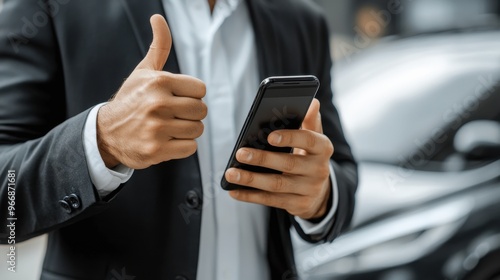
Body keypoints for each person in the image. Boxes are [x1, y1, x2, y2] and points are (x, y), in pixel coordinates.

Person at [0, 0, 357, 279]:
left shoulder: (303, 19)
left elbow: (341, 173)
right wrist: (101, 140)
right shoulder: (49, 7)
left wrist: (320, 196)